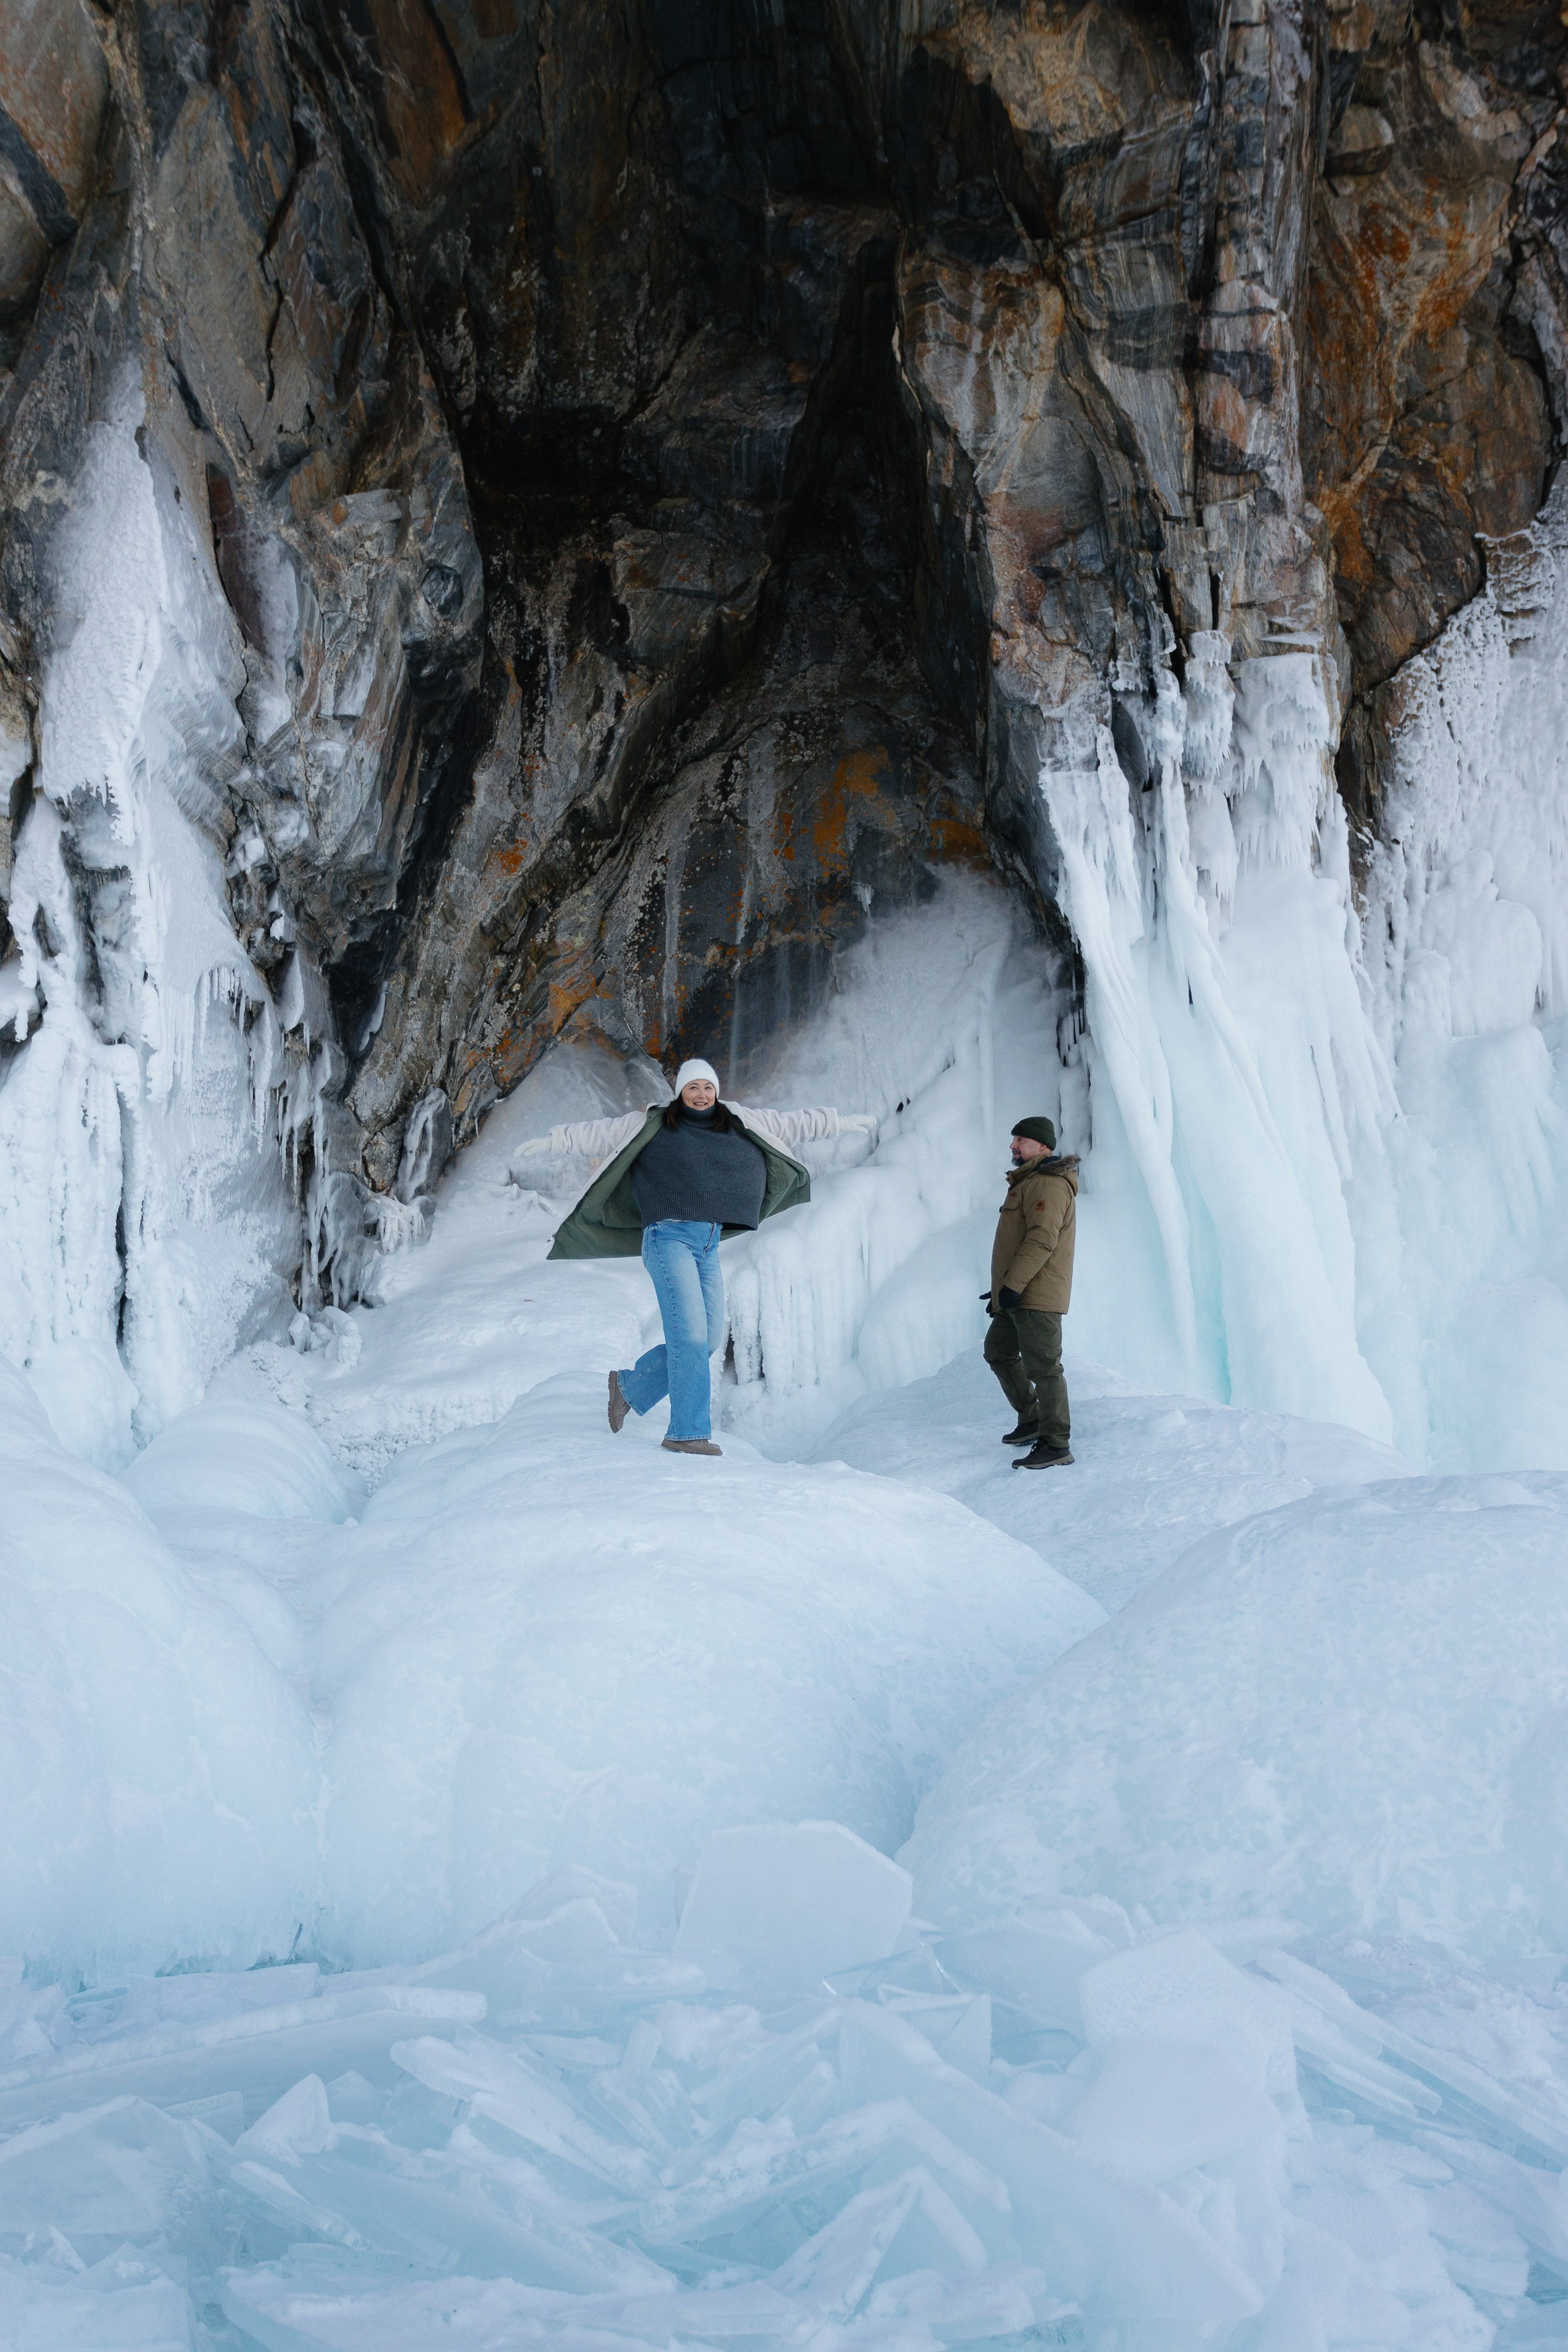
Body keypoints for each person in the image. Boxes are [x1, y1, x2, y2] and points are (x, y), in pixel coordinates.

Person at [524, 1059, 875, 1456]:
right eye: (694, 1088)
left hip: (708, 1242)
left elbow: (793, 1124)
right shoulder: (652, 1124)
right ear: (680, 1092)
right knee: (688, 1336)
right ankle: (687, 1433)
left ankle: (628, 1388)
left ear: (717, 1090)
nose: (702, 1094)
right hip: (667, 1237)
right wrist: (552, 1141)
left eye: (708, 1087)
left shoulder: (739, 1120)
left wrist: (837, 1122)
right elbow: (596, 1135)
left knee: (706, 1339)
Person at [984, 1115, 1079, 1470]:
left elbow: (1042, 1240)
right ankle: (1032, 1418)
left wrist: (1012, 1286)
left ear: (1042, 1146)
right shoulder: (1028, 1183)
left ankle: (1056, 1443)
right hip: (1016, 1293)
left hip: (1034, 1296)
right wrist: (998, 1290)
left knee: (1045, 1368)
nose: (1013, 1146)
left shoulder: (1049, 1185)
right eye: (1013, 1140)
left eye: (1020, 1141)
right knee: (998, 1351)